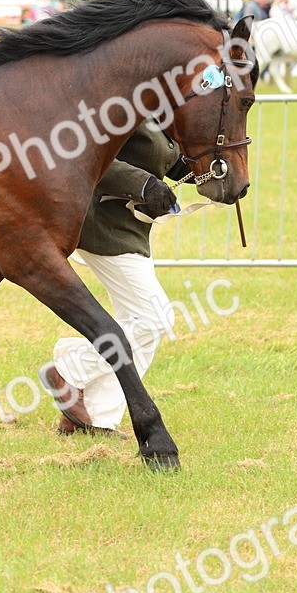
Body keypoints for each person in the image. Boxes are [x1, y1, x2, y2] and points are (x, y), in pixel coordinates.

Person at [38, 122, 188, 437]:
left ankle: (94, 419)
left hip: (130, 231)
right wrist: (145, 185)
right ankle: (67, 371)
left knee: (139, 324)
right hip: (102, 227)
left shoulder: (164, 108)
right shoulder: (125, 102)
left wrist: (214, 169)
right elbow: (89, 158)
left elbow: (167, 157)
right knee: (155, 318)